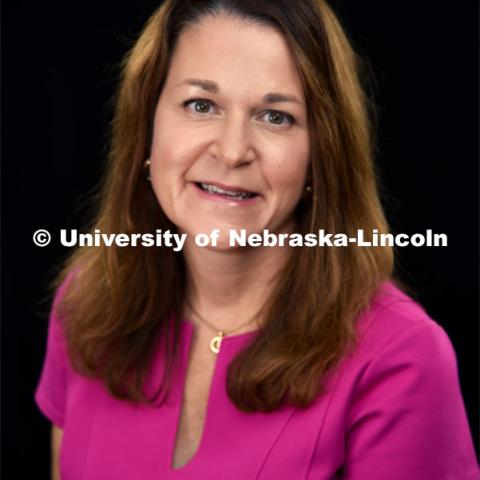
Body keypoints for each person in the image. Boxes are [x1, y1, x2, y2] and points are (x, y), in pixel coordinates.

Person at [35, 1, 479, 479]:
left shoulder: (401, 359)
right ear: (146, 126)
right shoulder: (85, 307)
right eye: (201, 105)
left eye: (275, 117)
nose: (231, 151)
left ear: (322, 154)